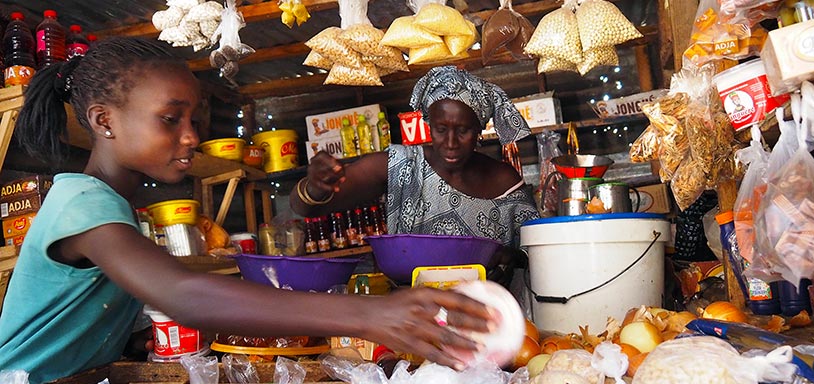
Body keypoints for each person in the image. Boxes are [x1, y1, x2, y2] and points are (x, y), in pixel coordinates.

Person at [0, 38, 496, 382]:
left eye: (196, 119)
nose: (192, 136)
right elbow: (185, 293)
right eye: (171, 119)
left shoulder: (112, 207)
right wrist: (366, 314)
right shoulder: (80, 202)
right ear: (103, 121)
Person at [291, 66, 540, 285]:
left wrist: (510, 259)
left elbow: (536, 254)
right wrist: (316, 187)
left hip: (490, 319)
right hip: (414, 317)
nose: (451, 143)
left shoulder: (505, 182)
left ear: (479, 130)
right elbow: (307, 208)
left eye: (463, 130)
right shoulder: (402, 165)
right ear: (428, 124)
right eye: (441, 129)